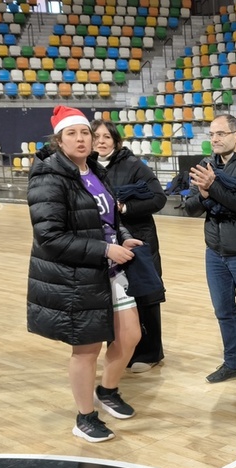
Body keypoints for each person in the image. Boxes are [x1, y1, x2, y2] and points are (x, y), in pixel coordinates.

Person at [27, 106, 144, 443]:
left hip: (109, 268)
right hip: (76, 275)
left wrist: (121, 238)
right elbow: (49, 237)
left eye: (85, 133)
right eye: (72, 134)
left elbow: (109, 219)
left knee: (131, 335)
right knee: (87, 350)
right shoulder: (48, 177)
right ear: (59, 140)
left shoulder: (94, 171)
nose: (81, 139)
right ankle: (84, 417)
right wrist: (105, 249)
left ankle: (106, 390)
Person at [183, 115, 236, 384]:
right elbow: (190, 207)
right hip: (214, 251)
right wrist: (207, 195)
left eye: (221, 133)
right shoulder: (205, 165)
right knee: (223, 311)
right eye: (211, 134)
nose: (215, 139)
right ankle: (233, 363)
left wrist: (212, 189)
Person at [90, 119, 167, 373]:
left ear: (116, 141)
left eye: (106, 137)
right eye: (96, 136)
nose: (100, 141)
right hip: (107, 243)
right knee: (114, 297)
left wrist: (125, 208)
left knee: (145, 296)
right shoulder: (86, 167)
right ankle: (120, 351)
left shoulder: (133, 165)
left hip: (138, 239)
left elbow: (158, 198)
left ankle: (151, 352)